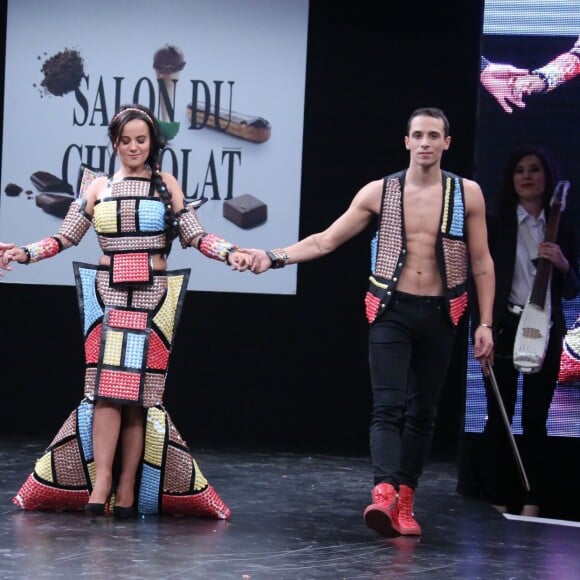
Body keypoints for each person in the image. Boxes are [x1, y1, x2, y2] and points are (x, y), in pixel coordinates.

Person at [240, 107, 496, 537]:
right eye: (418, 135)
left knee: (423, 411)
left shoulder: (467, 193)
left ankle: (406, 498)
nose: (426, 143)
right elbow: (326, 240)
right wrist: (274, 256)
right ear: (407, 141)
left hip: (441, 311)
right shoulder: (380, 191)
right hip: (391, 310)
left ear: (447, 143)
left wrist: (485, 323)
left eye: (435, 135)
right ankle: (383, 493)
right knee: (388, 404)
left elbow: (482, 261)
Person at [1, 103, 251, 519]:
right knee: (104, 392)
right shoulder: (98, 187)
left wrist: (231, 253)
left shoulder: (165, 184)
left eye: (141, 139)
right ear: (114, 143)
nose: (133, 147)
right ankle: (101, 485)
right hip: (108, 296)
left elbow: (195, 234)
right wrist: (22, 254)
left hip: (152, 297)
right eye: (125, 140)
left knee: (139, 398)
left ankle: (129, 486)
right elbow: (64, 237)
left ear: (153, 143)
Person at [474, 145, 580, 517]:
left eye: (534, 169)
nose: (526, 176)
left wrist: (564, 264)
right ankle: (498, 497)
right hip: (504, 326)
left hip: (547, 328)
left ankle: (533, 501)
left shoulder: (562, 225)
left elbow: (571, 290)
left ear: (546, 176)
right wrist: (484, 325)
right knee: (499, 416)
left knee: (537, 418)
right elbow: (481, 276)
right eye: (519, 169)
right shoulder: (497, 221)